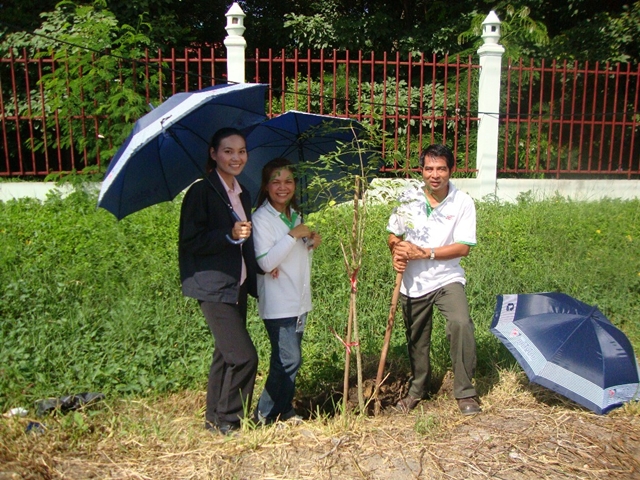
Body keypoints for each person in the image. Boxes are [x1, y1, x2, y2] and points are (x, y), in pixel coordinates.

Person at [387, 144, 481, 416]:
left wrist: (425, 253)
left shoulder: (462, 202)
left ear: (451, 170)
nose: (435, 175)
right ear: (422, 170)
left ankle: (465, 391)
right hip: (413, 282)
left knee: (460, 323)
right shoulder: (408, 198)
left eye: (441, 169)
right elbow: (393, 235)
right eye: (429, 169)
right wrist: (397, 251)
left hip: (447, 277)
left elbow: (463, 247)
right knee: (417, 337)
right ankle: (418, 389)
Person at [178, 127, 260, 435]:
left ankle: (214, 419)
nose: (236, 157)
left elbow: (246, 241)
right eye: (228, 151)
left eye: (241, 151)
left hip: (237, 283)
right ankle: (230, 419)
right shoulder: (202, 192)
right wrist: (228, 233)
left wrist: (258, 274)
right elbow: (191, 241)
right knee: (244, 357)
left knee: (225, 354)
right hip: (213, 285)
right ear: (213, 154)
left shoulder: (242, 193)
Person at [251, 158, 321, 424]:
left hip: (299, 299)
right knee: (288, 360)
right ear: (266, 186)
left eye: (289, 181)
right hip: (278, 300)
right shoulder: (261, 219)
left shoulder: (295, 215)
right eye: (276, 181)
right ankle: (264, 414)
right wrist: (293, 235)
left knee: (290, 361)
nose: (283, 187)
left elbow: (293, 253)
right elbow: (266, 262)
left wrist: (309, 242)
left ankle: (284, 410)